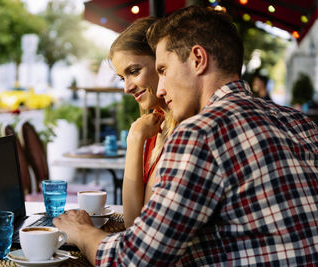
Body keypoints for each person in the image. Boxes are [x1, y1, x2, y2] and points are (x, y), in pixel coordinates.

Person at [54, 6, 318, 266]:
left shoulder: (198, 133)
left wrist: (83, 232)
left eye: (163, 70)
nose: (160, 90)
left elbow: (134, 259)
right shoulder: (300, 123)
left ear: (198, 59)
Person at [108, 17, 178, 228]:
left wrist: (135, 139)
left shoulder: (182, 127)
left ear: (161, 63)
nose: (127, 88)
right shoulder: (154, 123)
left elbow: (134, 224)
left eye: (134, 71)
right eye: (122, 77)